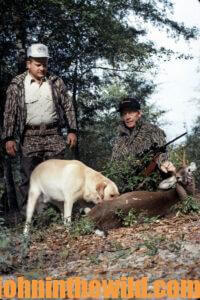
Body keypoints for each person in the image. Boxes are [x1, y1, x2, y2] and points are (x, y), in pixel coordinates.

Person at [2, 43, 77, 206]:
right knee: (29, 178)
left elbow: (68, 106)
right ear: (28, 63)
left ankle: (62, 217)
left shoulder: (56, 81)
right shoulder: (17, 85)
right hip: (29, 137)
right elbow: (10, 113)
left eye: (45, 63)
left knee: (58, 176)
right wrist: (8, 137)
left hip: (53, 135)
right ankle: (32, 221)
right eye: (38, 64)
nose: (42, 68)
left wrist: (72, 130)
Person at [111, 97, 175, 191]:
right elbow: (115, 163)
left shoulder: (153, 130)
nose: (128, 117)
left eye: (131, 112)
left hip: (154, 186)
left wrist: (163, 162)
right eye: (124, 113)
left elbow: (162, 153)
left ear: (139, 113)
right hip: (129, 187)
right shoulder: (119, 139)